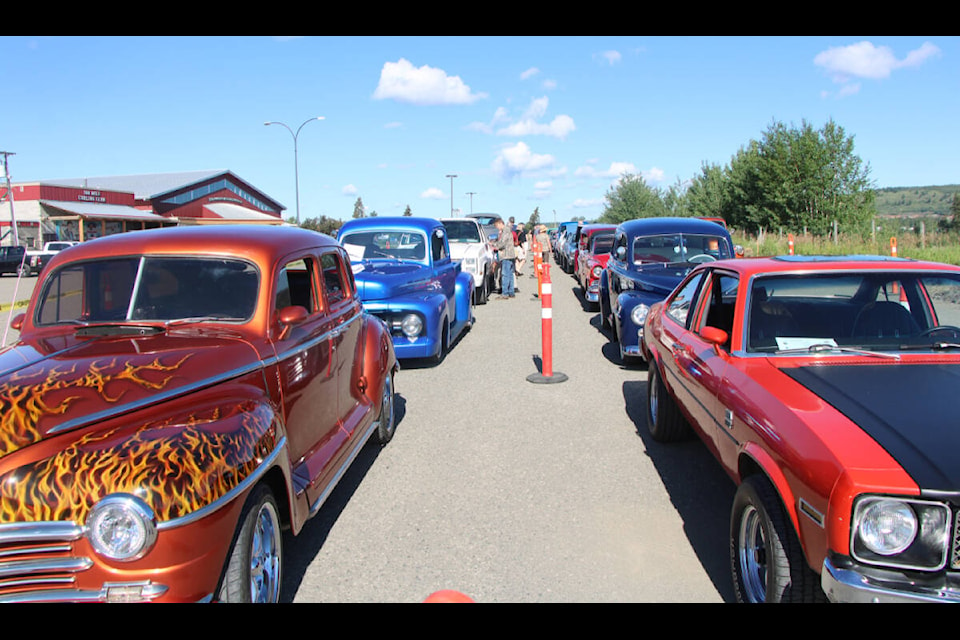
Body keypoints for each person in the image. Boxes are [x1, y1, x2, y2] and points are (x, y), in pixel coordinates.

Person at [493, 218, 516, 298]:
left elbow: (502, 243)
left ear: (500, 223)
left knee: (505, 274)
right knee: (510, 274)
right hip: (510, 255)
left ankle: (505, 293)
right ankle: (511, 292)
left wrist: (494, 245)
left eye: (497, 226)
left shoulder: (505, 231)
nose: (497, 228)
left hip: (506, 255)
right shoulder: (507, 230)